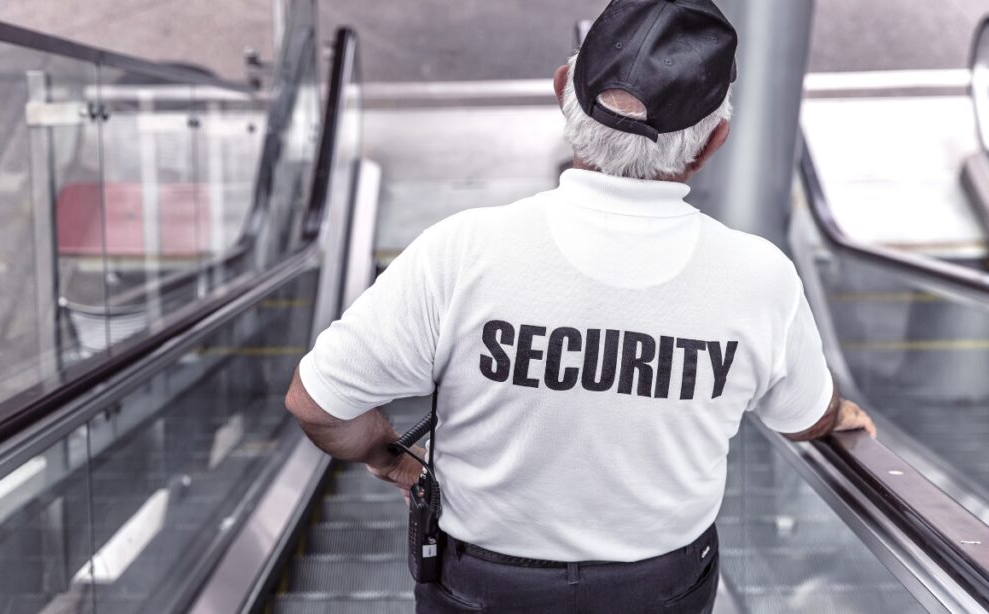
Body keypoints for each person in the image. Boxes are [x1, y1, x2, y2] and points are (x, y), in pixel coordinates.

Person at [284, 0, 877, 611]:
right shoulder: (761, 279)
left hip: (484, 587)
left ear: (563, 89)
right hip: (660, 587)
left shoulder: (461, 251)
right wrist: (836, 413)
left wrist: (395, 459)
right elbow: (801, 416)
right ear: (711, 143)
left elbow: (318, 404)